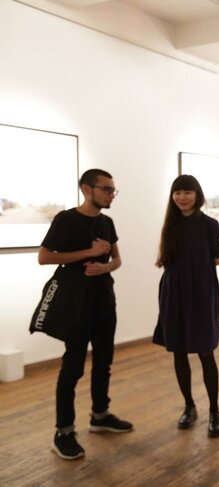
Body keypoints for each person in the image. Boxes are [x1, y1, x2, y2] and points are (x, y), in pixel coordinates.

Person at [39, 169, 133, 460]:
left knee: (104, 362)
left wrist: (105, 267)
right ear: (86, 189)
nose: (111, 195)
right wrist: (88, 253)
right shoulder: (66, 220)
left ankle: (100, 415)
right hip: (76, 303)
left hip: (104, 300)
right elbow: (44, 257)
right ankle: (64, 432)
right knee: (73, 367)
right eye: (106, 189)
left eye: (113, 190)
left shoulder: (107, 222)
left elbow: (117, 259)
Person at [153, 175, 219, 438]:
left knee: (206, 352)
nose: (182, 197)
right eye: (177, 193)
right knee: (179, 351)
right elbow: (166, 259)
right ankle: (189, 406)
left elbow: (216, 259)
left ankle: (214, 411)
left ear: (197, 195)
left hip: (202, 292)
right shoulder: (170, 226)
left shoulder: (210, 225)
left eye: (187, 192)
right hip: (173, 293)